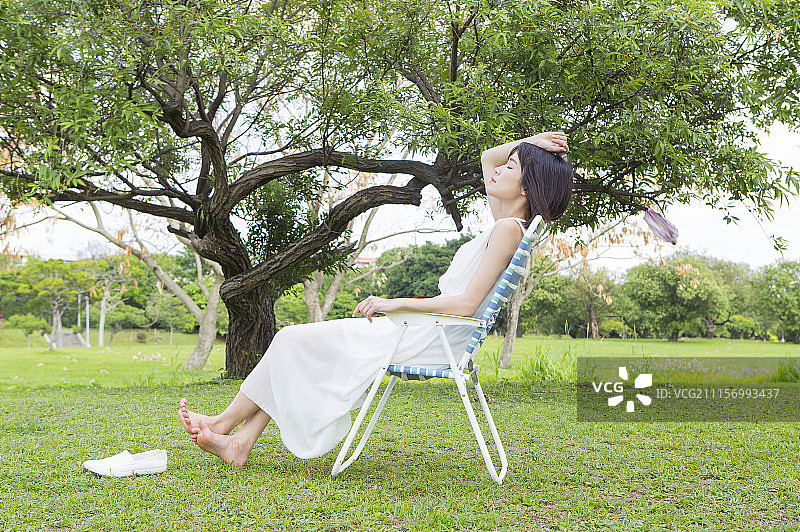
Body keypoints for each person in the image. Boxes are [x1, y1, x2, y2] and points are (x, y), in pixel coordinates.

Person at [178, 132, 573, 466]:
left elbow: (466, 305)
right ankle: (237, 440)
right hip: (428, 331)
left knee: (290, 339)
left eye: (511, 167)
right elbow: (488, 157)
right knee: (294, 344)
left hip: (428, 337)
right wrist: (533, 143)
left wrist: (394, 303)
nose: (498, 169)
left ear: (525, 187)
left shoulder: (507, 229)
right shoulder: (509, 223)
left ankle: (226, 427)